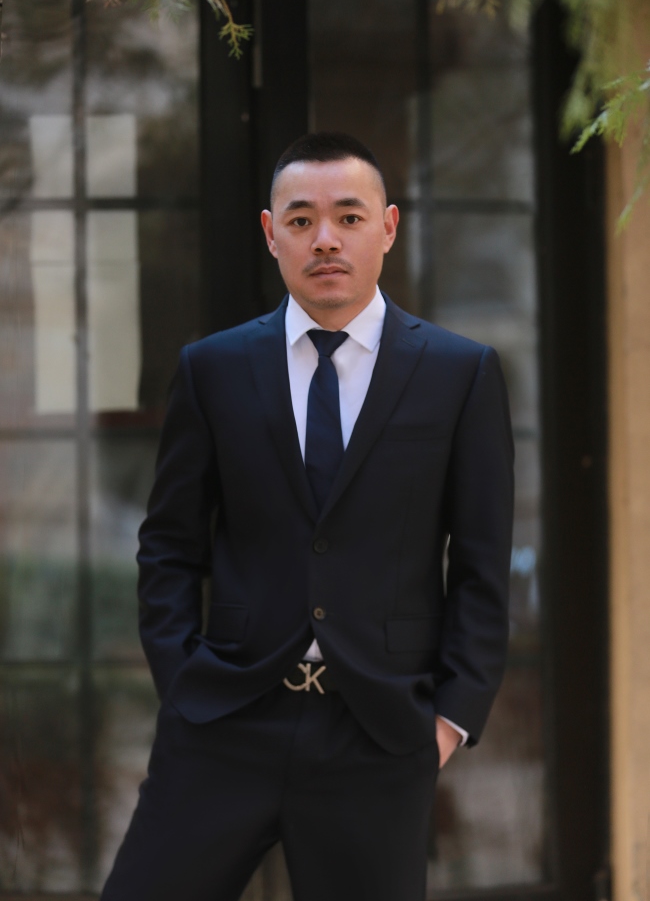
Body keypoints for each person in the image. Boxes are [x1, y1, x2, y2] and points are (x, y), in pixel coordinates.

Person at [101, 132, 514, 901]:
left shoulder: (460, 373)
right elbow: (169, 546)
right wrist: (182, 682)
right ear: (271, 233)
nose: (325, 238)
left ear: (387, 227)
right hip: (225, 720)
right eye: (301, 220)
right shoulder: (213, 368)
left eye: (348, 217)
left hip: (379, 733)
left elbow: (483, 564)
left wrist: (449, 720)